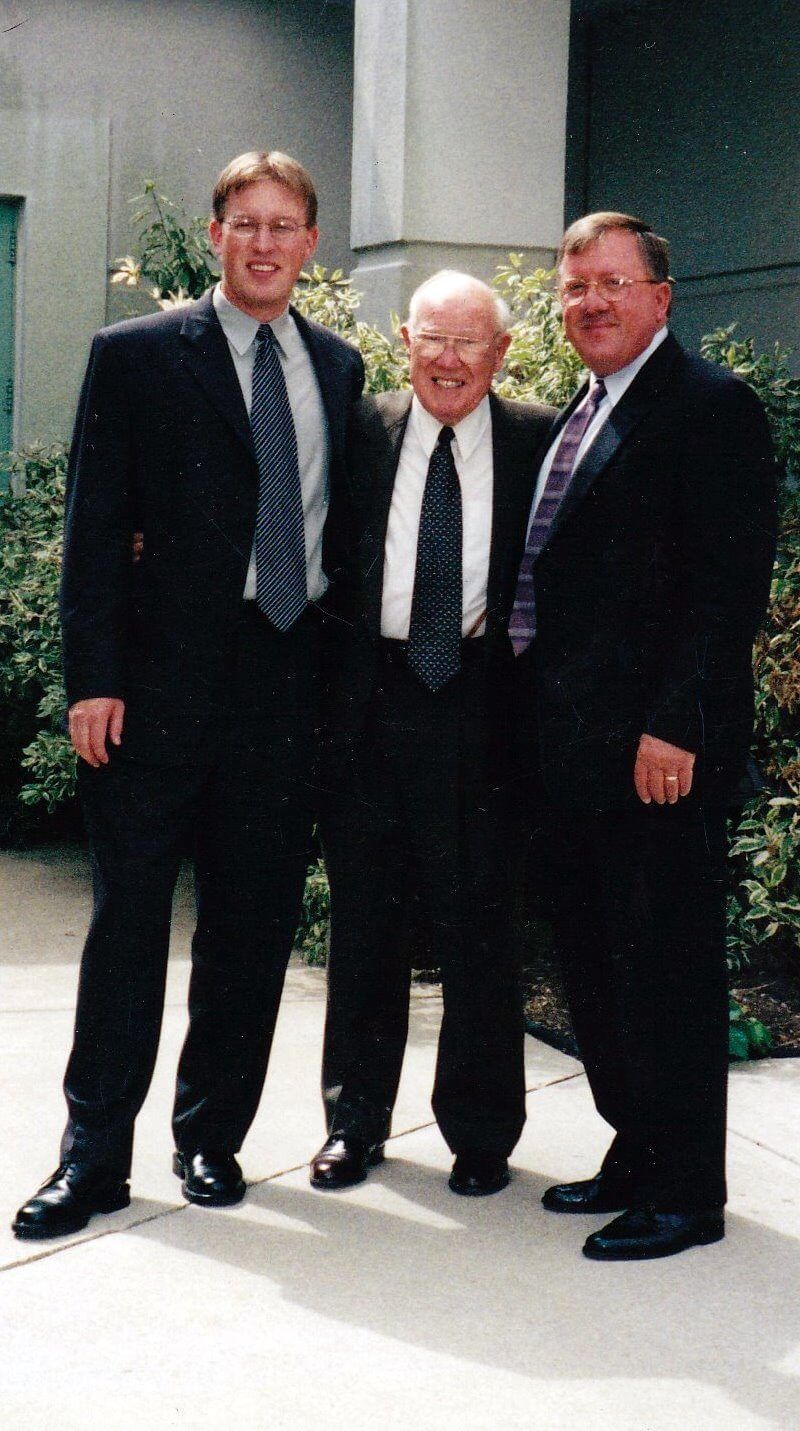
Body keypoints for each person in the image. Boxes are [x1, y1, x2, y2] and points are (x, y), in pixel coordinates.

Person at [13, 150, 364, 1240]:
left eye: (284, 224)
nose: (264, 243)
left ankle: (208, 1139)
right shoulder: (135, 355)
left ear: (311, 243)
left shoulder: (340, 370)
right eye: (244, 223)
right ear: (216, 236)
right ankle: (92, 1160)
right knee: (127, 928)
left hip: (281, 680)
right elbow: (91, 531)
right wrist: (93, 679)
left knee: (249, 930)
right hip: (155, 691)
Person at [509, 212, 776, 1259]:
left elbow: (724, 592)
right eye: (575, 288)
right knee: (593, 962)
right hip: (572, 757)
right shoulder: (580, 410)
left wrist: (672, 728)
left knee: (662, 969)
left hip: (654, 758)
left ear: (659, 297)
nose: (589, 304)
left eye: (610, 284)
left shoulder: (707, 409)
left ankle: (687, 1193)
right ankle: (635, 1146)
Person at [310, 271, 555, 1197]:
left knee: (482, 923)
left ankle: (483, 1132)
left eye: (470, 343)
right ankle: (354, 1121)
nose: (449, 361)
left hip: (485, 708)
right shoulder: (357, 431)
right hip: (371, 704)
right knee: (366, 921)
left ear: (500, 352)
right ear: (404, 341)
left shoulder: (538, 438)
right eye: (432, 340)